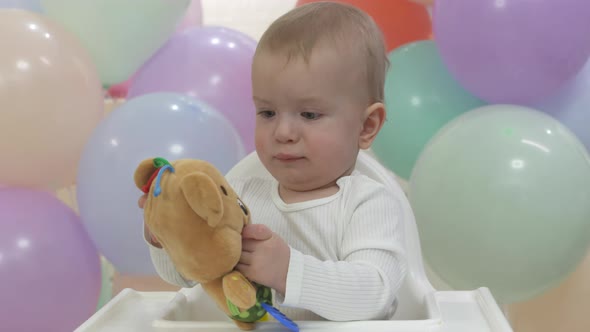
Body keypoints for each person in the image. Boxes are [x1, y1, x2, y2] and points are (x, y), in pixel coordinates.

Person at [139, 1, 408, 322]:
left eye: (309, 114)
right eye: (267, 112)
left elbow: (374, 294)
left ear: (366, 126)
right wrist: (168, 231)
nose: (282, 132)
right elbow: (190, 274)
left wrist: (288, 272)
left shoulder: (367, 203)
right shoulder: (238, 196)